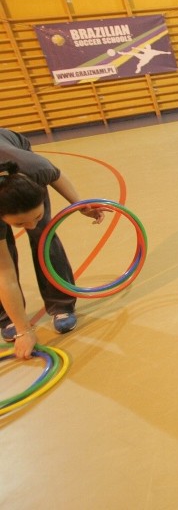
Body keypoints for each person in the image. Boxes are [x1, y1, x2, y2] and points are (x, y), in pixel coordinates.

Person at [0, 128, 106, 359]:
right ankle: (6, 316)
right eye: (19, 224)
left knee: (44, 236)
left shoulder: (35, 169)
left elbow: (56, 175)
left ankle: (61, 305)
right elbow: (4, 273)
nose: (29, 225)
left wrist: (82, 206)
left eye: (34, 216)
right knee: (2, 257)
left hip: (12, 150)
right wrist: (23, 330)